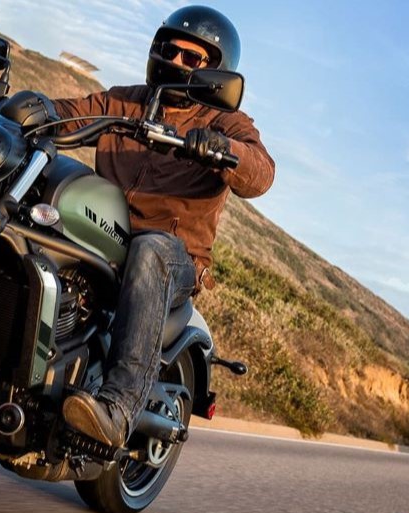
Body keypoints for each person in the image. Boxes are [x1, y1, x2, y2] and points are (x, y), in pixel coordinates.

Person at [53, 5, 276, 448]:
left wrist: (222, 148)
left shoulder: (224, 121)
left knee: (151, 248)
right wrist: (22, 108)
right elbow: (69, 113)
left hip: (175, 258)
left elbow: (260, 170)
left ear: (215, 71)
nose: (176, 63)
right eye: (170, 51)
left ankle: (118, 407)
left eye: (192, 59)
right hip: (107, 237)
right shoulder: (124, 100)